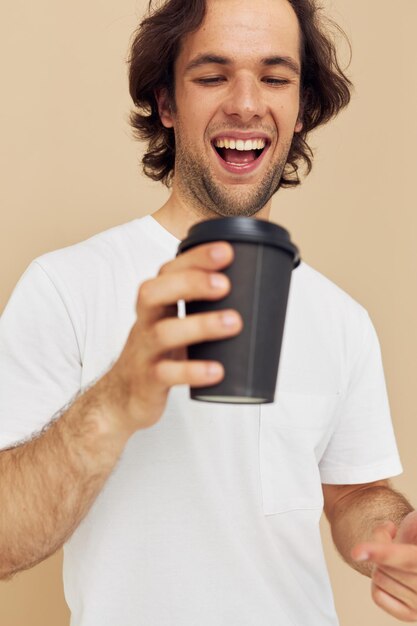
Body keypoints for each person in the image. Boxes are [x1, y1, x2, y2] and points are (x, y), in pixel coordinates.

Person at [0, 0, 416, 624]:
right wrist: (115, 400)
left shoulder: (343, 318)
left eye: (275, 77)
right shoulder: (66, 284)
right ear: (167, 103)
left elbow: (356, 491)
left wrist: (398, 536)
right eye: (213, 75)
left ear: (302, 109)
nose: (247, 103)